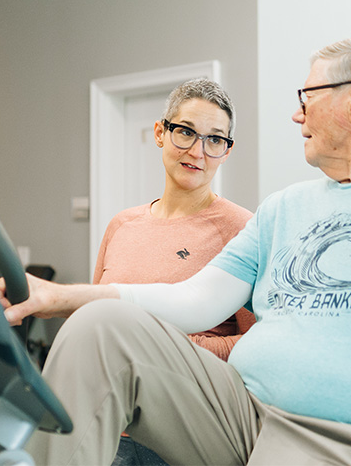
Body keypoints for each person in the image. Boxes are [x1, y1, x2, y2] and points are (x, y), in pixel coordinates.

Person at [0, 36, 351, 466]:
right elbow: (194, 300)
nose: (296, 114)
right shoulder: (285, 206)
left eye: (307, 96)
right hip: (245, 416)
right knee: (103, 329)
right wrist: (62, 296)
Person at [96, 78, 255, 465]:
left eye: (215, 140)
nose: (198, 151)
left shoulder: (241, 229)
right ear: (160, 133)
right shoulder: (121, 225)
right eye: (185, 132)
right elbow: (97, 318)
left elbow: (262, 343)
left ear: (226, 151)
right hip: (111, 430)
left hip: (185, 437)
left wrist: (178, 349)